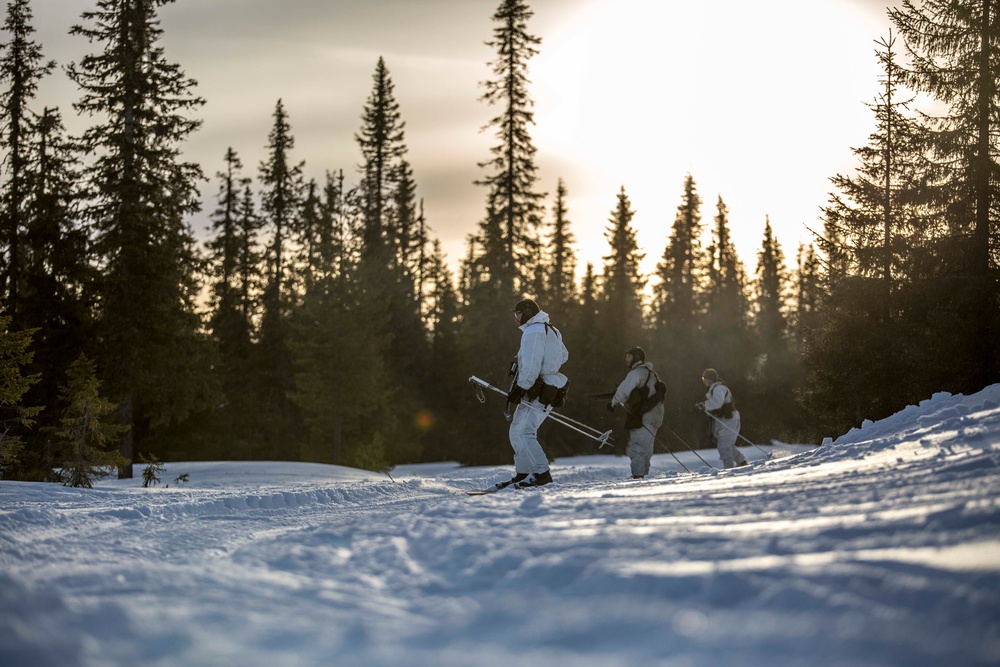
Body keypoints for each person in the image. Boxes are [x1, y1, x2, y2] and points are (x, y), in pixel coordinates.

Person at [492, 298, 569, 490]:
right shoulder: (551, 329)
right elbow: (564, 355)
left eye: (517, 313)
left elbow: (532, 361)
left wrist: (521, 387)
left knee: (525, 431)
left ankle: (542, 474)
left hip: (538, 388)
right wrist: (549, 365)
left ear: (527, 312)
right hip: (541, 385)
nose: (515, 318)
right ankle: (524, 474)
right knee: (517, 430)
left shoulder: (533, 331)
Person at [606, 346, 665, 479]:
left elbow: (623, 390)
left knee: (636, 446)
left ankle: (638, 476)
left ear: (636, 358)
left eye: (629, 356)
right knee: (646, 447)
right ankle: (643, 474)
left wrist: (613, 403)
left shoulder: (636, 373)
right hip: (656, 414)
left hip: (644, 415)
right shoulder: (652, 373)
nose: (626, 359)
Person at [696, 368, 748, 469]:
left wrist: (704, 405)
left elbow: (717, 402)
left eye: (704, 378)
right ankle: (741, 462)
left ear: (710, 379)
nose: (703, 381)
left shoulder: (718, 388)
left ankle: (729, 467)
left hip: (728, 419)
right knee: (728, 445)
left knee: (723, 446)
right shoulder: (716, 388)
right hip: (727, 419)